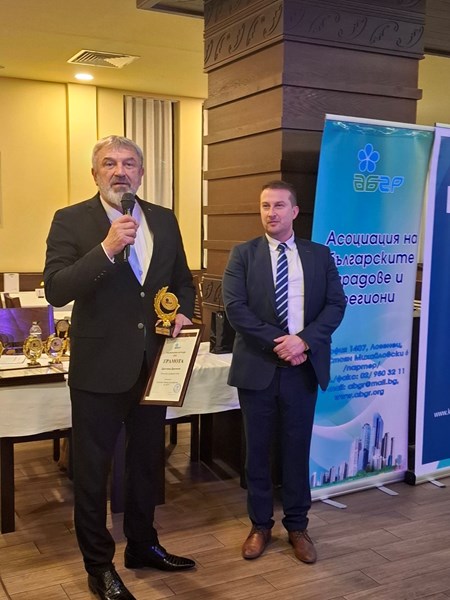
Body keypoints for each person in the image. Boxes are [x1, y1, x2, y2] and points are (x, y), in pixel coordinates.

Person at [44, 135, 196, 600]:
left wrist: (183, 312)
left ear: (142, 173)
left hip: (153, 366)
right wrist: (106, 249)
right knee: (93, 472)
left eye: (129, 163)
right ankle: (99, 566)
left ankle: (143, 545)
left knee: (147, 463)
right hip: (99, 368)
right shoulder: (71, 219)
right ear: (94, 174)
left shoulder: (164, 219)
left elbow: (182, 282)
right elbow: (56, 289)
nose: (120, 171)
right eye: (109, 163)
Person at [222, 180, 346, 564]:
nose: (271, 212)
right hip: (258, 368)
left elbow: (336, 305)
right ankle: (260, 525)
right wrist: (281, 343)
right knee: (257, 452)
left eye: (278, 205)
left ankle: (297, 526)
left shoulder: (319, 255)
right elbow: (236, 309)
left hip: (302, 369)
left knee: (296, 450)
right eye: (265, 206)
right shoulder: (242, 254)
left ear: (294, 211)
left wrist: (303, 342)